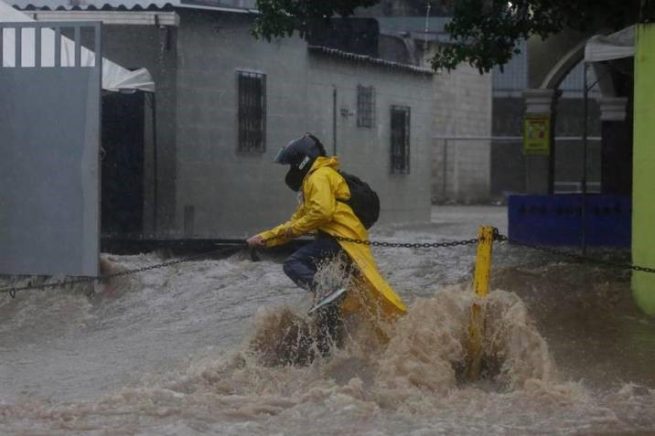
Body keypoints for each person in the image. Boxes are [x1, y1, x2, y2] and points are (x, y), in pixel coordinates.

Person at [246, 134, 406, 350]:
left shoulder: (319, 176)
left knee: (293, 264)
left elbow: (322, 212)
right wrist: (265, 238)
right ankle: (338, 346)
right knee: (356, 299)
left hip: (340, 240)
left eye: (291, 165)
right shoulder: (316, 179)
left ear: (302, 161)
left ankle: (326, 291)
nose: (290, 171)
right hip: (347, 242)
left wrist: (282, 233)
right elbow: (298, 220)